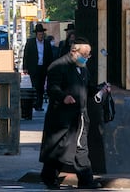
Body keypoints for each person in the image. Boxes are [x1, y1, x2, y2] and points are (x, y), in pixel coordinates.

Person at [39, 37, 110, 189]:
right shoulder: (58, 66)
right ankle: (48, 177)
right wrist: (64, 97)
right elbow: (52, 88)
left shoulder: (82, 68)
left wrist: (101, 90)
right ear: (74, 51)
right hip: (63, 117)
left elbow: (88, 88)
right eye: (85, 54)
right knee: (60, 148)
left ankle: (86, 180)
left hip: (80, 116)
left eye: (88, 55)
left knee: (80, 148)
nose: (87, 58)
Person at [22, 23, 53, 111]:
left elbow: (50, 56)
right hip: (33, 68)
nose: (41, 36)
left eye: (42, 34)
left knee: (41, 87)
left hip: (43, 68)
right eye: (39, 34)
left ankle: (38, 105)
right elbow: (26, 55)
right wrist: (25, 67)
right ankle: (34, 103)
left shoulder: (47, 43)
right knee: (35, 86)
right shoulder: (30, 42)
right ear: (36, 34)